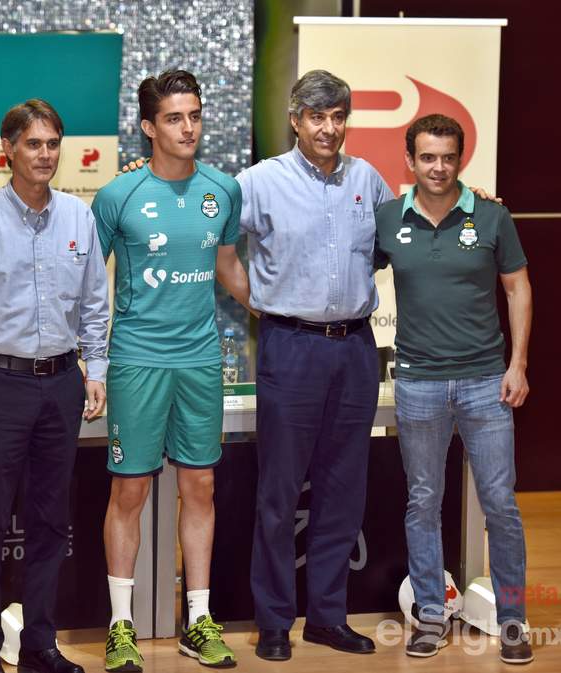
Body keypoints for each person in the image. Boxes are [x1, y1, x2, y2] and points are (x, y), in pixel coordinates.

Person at [0, 99, 109, 673]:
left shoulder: (80, 219)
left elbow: (95, 309)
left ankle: (38, 644)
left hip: (61, 385)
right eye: (33, 144)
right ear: (7, 150)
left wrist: (96, 371)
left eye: (53, 143)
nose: (46, 154)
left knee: (51, 524)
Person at [93, 70, 250, 672]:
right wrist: (90, 361)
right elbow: (86, 282)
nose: (189, 127)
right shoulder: (118, 196)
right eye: (176, 118)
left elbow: (229, 267)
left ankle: (199, 620)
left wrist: (279, 304)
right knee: (130, 490)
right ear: (148, 127)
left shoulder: (223, 189)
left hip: (201, 359)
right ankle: (120, 627)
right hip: (136, 360)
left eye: (195, 115)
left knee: (200, 487)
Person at [236, 70, 392, 660]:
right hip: (291, 347)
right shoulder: (258, 182)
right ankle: (274, 620)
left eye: (338, 117)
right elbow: (222, 247)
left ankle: (328, 615)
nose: (329, 128)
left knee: (342, 489)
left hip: (355, 348)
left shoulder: (368, 180)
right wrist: (263, 304)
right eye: (317, 117)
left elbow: (393, 245)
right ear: (296, 120)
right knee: (279, 491)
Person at [374, 114, 533, 664]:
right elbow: (343, 273)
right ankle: (430, 616)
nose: (437, 167)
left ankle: (513, 619)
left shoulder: (492, 216)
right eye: (427, 157)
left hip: (488, 381)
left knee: (500, 504)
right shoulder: (387, 218)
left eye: (447, 157)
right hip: (417, 382)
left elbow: (518, 289)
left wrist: (518, 364)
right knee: (423, 502)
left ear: (460, 159)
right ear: (410, 160)